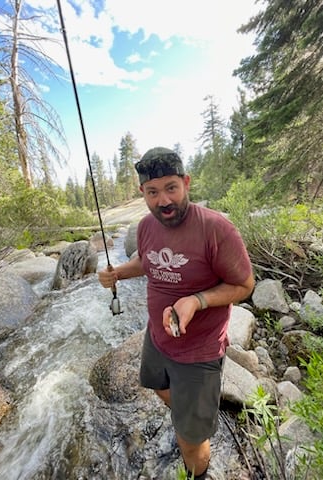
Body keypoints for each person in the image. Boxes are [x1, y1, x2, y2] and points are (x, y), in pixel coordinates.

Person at [98, 147, 254, 480]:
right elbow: (147, 260)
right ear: (143, 193)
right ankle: (186, 415)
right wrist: (118, 273)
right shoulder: (146, 227)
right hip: (157, 338)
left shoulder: (216, 230)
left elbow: (244, 285)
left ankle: (196, 465)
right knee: (157, 386)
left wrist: (197, 300)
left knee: (192, 442)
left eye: (171, 188)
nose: (163, 200)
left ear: (186, 182)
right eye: (153, 192)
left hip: (199, 351)